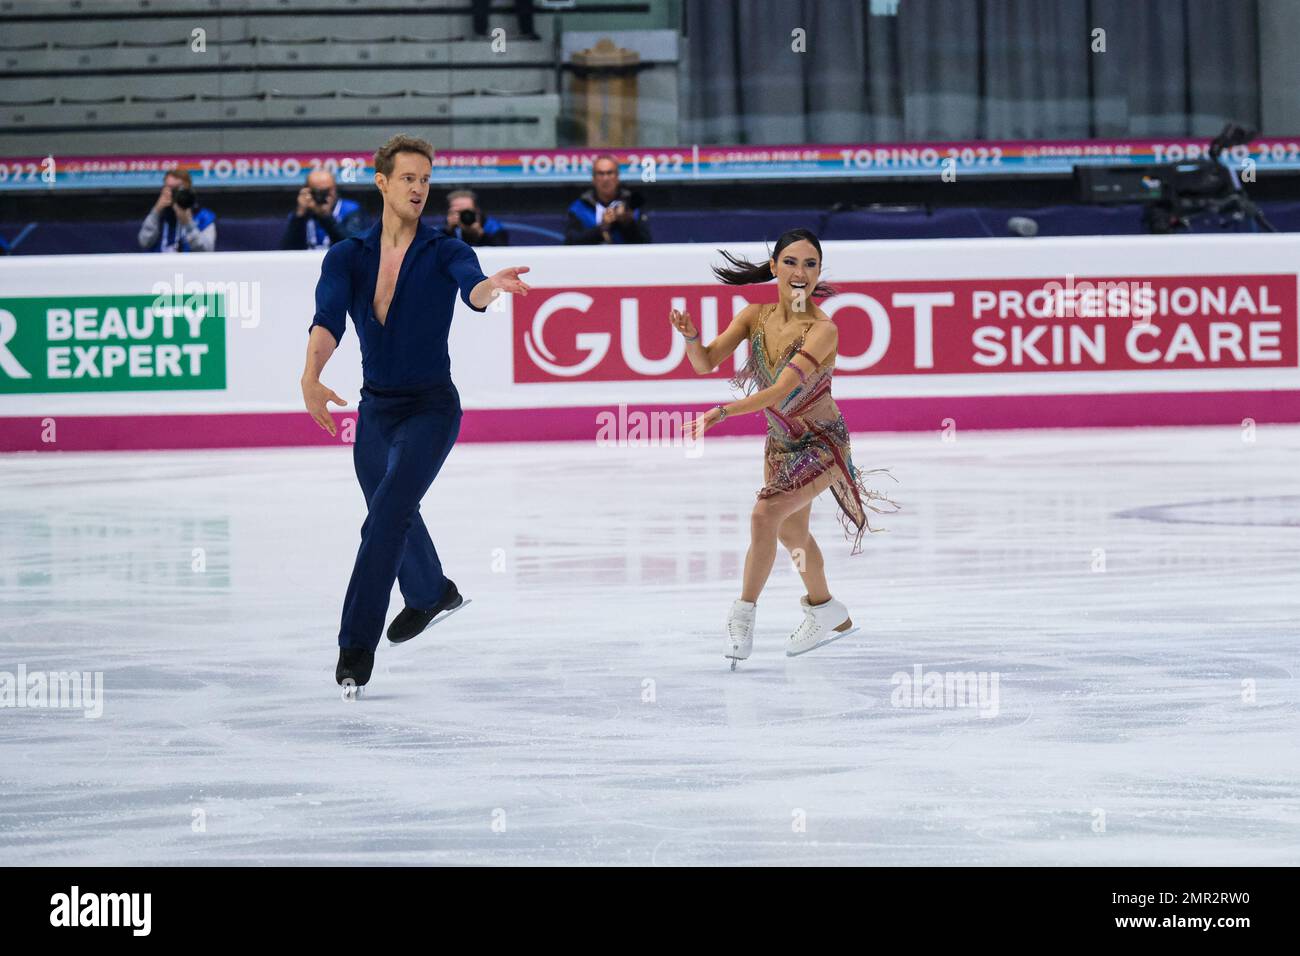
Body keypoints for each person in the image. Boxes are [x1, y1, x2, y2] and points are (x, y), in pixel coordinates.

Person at [300, 134, 531, 698]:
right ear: (382, 183)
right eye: (408, 178)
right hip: (375, 411)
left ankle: (355, 647)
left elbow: (472, 290)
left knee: (384, 519)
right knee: (392, 513)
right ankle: (430, 594)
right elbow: (328, 320)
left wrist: (488, 290)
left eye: (426, 179)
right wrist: (310, 377)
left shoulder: (444, 250)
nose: (419, 188)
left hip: (431, 409)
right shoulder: (347, 256)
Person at [674, 228, 898, 668]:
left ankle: (743, 614)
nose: (801, 273)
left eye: (811, 264)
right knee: (791, 532)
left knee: (764, 515)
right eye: (791, 262)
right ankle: (826, 610)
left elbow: (780, 391)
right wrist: (690, 337)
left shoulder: (823, 330)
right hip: (781, 443)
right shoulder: (753, 316)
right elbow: (704, 363)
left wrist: (721, 413)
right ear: (774, 266)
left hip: (821, 443)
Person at [564, 154, 650, 245]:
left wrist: (627, 223)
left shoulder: (633, 206)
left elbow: (646, 243)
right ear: (593, 178)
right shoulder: (579, 208)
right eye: (601, 173)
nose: (605, 178)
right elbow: (570, 244)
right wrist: (602, 228)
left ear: (617, 177)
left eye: (610, 173)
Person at [280, 169, 367, 250]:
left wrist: (326, 217)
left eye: (327, 191)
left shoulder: (350, 209)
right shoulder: (302, 213)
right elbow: (286, 250)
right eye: (317, 191)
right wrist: (299, 217)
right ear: (307, 191)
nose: (323, 195)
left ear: (335, 188)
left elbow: (354, 248)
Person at [138, 169, 216, 252]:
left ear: (189, 189)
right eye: (171, 188)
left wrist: (188, 223)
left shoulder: (203, 216)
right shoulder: (157, 215)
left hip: (189, 264)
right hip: (159, 264)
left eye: (178, 189)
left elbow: (207, 251)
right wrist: (156, 211)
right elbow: (144, 242)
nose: (175, 194)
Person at [443, 189, 509, 246]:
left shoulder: (492, 227)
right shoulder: (445, 230)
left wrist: (481, 235)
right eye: (457, 212)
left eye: (466, 211)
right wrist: (448, 232)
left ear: (477, 210)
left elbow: (501, 252)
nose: (463, 216)